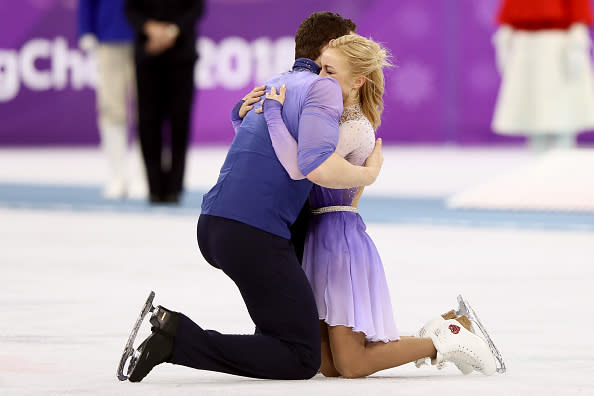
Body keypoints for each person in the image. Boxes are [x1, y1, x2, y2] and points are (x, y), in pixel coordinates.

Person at [123, 12, 387, 382]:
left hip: (215, 224)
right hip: (251, 232)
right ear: (328, 50)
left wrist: (241, 115)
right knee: (301, 358)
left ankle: (217, 341)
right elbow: (311, 166)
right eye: (347, 44)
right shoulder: (321, 88)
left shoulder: (278, 81)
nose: (353, 50)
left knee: (281, 334)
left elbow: (265, 149)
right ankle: (177, 338)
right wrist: (369, 174)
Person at [258, 34, 498, 377]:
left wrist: (273, 113)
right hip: (319, 238)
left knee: (352, 364)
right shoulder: (329, 117)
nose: (319, 78)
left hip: (340, 241)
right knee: (327, 365)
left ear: (357, 81)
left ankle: (447, 340)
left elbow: (302, 165)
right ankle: (442, 327)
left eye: (329, 70)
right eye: (319, 69)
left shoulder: (355, 127)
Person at [125, 0, 204, 204]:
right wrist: (149, 28)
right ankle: (154, 187)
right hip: (147, 54)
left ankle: (174, 188)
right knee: (148, 122)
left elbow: (196, 8)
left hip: (181, 56)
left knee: (180, 122)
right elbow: (130, 9)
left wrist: (171, 31)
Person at [492, 0, 594, 151]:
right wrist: (505, 39)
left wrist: (577, 40)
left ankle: (563, 148)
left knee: (563, 104)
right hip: (526, 47)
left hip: (558, 46)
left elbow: (578, 9)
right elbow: (510, 11)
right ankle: (537, 149)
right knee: (532, 104)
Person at [77, 0, 147, 199]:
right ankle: (116, 175)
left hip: (144, 35)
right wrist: (86, 28)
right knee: (111, 108)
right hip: (108, 34)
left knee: (146, 109)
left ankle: (143, 175)